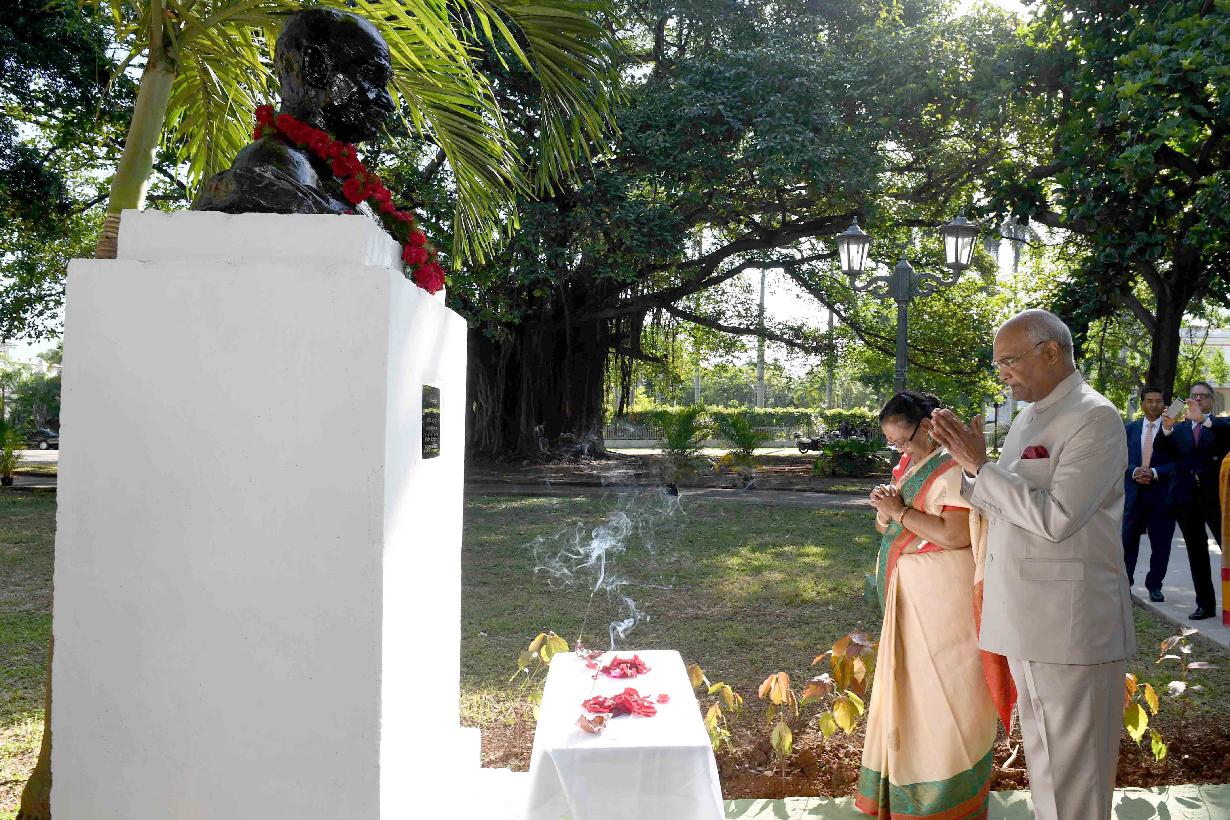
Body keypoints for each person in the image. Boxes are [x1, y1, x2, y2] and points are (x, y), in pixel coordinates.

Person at [931, 309, 1134, 820]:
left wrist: (981, 467)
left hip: (1071, 624)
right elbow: (1005, 501)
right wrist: (973, 474)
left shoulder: (1094, 417)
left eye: (1009, 361)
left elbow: (1057, 517)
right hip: (1029, 617)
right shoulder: (1029, 416)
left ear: (1051, 352)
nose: (1002, 374)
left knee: (1075, 777)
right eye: (998, 364)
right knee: (1047, 766)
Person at [856, 391, 1014, 819]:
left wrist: (898, 512)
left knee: (948, 693)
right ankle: (907, 791)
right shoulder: (910, 465)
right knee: (911, 691)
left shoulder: (951, 467)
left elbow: (953, 535)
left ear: (926, 426)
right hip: (912, 601)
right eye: (891, 442)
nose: (897, 449)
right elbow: (889, 526)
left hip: (946, 602)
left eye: (901, 439)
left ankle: (947, 800)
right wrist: (885, 511)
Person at [193, 8, 396, 215]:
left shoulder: (343, 183)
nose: (390, 103)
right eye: (373, 77)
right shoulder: (269, 166)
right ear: (316, 68)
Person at [1158, 380, 1229, 619]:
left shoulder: (1219, 425)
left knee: (1227, 549)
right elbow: (1162, 450)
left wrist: (1204, 420)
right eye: (1194, 395)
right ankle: (1205, 605)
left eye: (1203, 395)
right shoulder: (1179, 429)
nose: (1197, 399)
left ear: (1212, 401)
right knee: (1196, 552)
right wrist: (1166, 428)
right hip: (1186, 498)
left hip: (1216, 498)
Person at [1122, 386, 1179, 602]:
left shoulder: (1174, 431)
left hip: (1162, 498)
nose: (1154, 404)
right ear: (1142, 404)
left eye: (1158, 401)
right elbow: (1119, 460)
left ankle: (1155, 585)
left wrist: (1154, 472)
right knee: (1128, 543)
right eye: (1150, 401)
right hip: (1134, 496)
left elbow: (1178, 463)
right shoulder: (1129, 430)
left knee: (1161, 545)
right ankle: (1125, 584)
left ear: (1164, 404)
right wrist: (1135, 471)